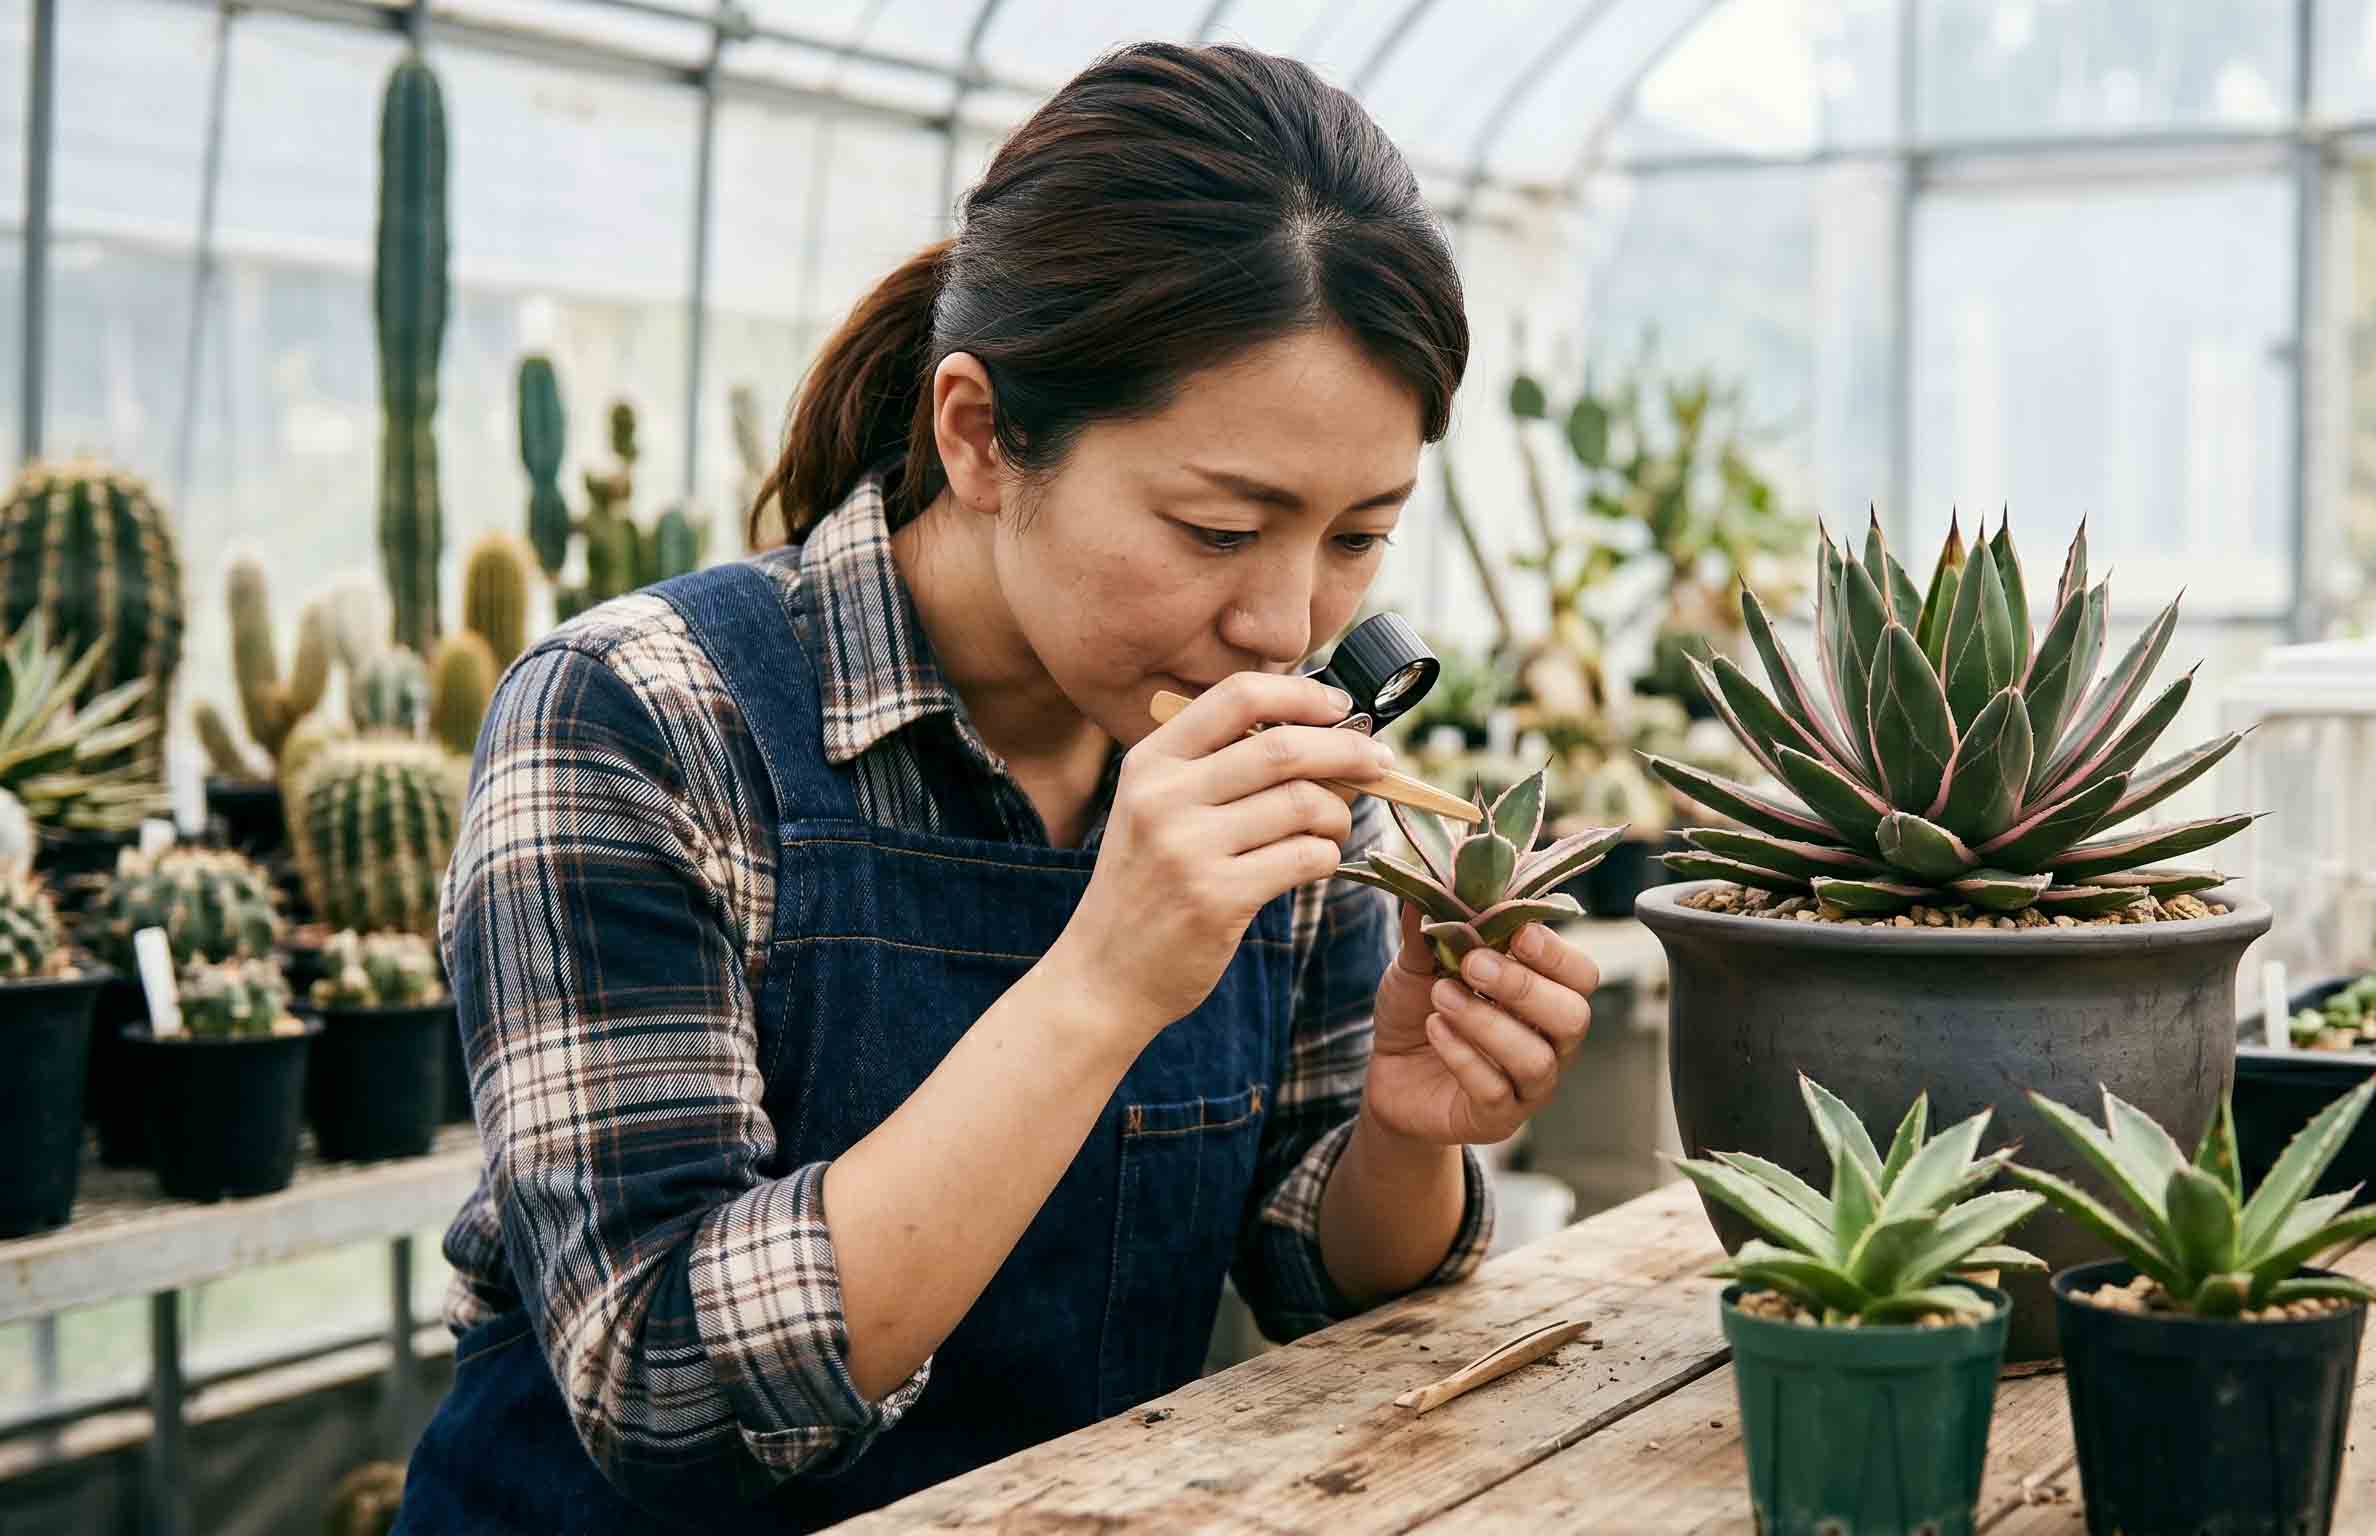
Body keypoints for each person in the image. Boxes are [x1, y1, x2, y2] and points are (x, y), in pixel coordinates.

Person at [392, 40, 1607, 1535]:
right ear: (978, 435)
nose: (1286, 627)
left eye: (1357, 535)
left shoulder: (1268, 761)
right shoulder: (635, 723)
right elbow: (662, 1388)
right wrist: (1100, 985)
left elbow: (1313, 1271)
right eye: (1221, 527)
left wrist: (1409, 1127)